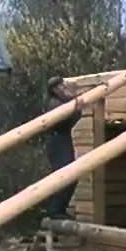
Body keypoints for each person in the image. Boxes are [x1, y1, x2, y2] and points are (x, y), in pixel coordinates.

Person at [45, 76, 84, 220]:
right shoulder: (54, 104)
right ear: (54, 90)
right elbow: (64, 122)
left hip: (63, 139)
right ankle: (55, 211)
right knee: (65, 175)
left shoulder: (61, 101)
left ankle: (58, 209)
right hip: (57, 141)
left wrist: (75, 104)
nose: (63, 87)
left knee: (69, 175)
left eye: (63, 84)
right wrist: (77, 110)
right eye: (59, 86)